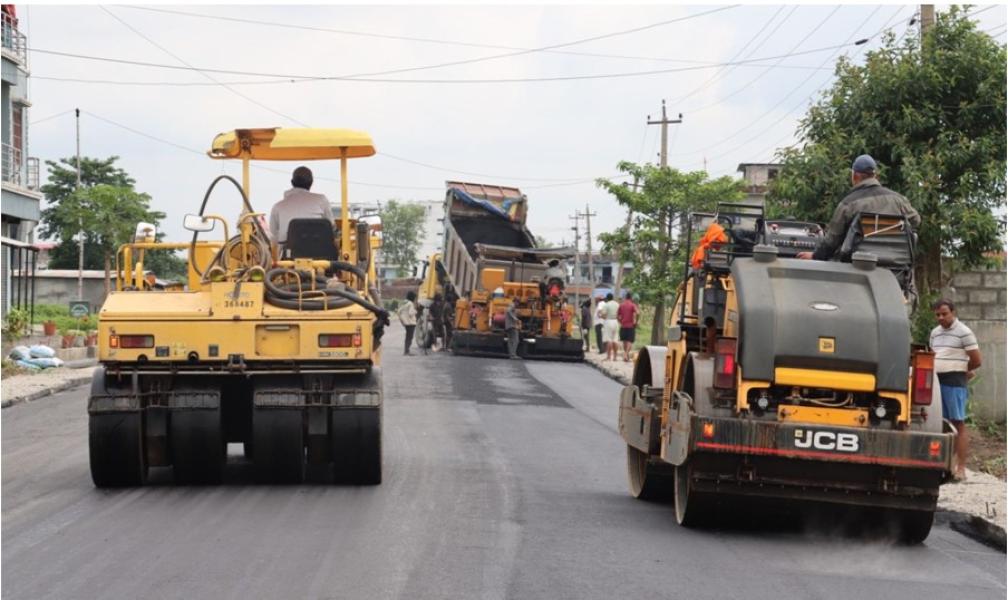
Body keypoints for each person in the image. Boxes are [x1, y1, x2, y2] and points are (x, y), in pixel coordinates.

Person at [797, 154, 921, 261]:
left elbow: (832, 241)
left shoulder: (848, 204)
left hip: (858, 267)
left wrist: (814, 256)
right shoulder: (898, 199)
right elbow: (916, 220)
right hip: (896, 266)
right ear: (875, 176)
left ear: (855, 176)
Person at [930, 299, 982, 481]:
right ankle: (943, 465)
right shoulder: (935, 333)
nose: (941, 317)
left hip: (954, 381)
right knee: (939, 423)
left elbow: (976, 360)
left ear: (953, 312)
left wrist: (963, 372)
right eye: (938, 314)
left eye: (944, 314)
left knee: (957, 423)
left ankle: (961, 468)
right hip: (937, 381)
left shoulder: (964, 332)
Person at [268, 166, 335, 252]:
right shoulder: (322, 200)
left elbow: (273, 235)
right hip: (318, 253)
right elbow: (331, 227)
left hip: (288, 255)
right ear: (311, 182)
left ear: (292, 182)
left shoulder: (277, 206)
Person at [617, 292, 640, 362]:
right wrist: (636, 321)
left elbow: (617, 315)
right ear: (631, 298)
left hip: (623, 325)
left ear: (625, 297)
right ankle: (626, 354)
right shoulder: (632, 305)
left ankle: (626, 356)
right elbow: (638, 313)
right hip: (631, 326)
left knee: (624, 341)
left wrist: (620, 321)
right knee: (630, 341)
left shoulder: (621, 305)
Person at [601, 293, 621, 361]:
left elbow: (603, 315)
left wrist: (601, 316)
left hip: (608, 321)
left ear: (607, 298)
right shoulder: (617, 304)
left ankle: (609, 356)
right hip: (616, 322)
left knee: (609, 340)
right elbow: (619, 314)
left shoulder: (606, 305)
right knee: (615, 340)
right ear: (612, 298)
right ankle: (615, 357)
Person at [398, 291, 418, 356]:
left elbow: (399, 312)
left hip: (406, 323)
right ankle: (407, 351)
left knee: (407, 337)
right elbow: (411, 313)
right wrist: (416, 311)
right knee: (410, 337)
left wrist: (402, 321)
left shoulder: (404, 302)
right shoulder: (411, 304)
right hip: (411, 323)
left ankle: (406, 351)